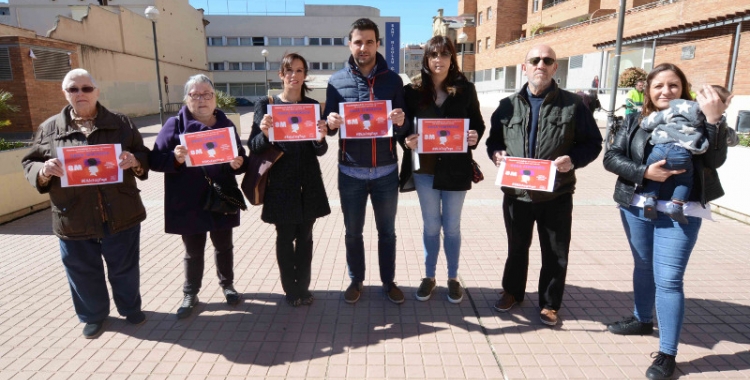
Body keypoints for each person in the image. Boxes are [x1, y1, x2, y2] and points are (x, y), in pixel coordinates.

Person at [603, 63, 730, 380]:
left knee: (669, 279)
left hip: (681, 211)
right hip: (636, 206)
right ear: (647, 89)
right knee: (643, 264)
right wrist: (644, 172)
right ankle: (641, 318)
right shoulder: (634, 120)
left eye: (673, 85)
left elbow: (714, 160)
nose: (665, 91)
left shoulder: (701, 119)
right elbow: (612, 157)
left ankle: (667, 354)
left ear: (683, 88)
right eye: (658, 85)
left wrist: (714, 120)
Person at [21, 68, 149, 338]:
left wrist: (135, 161)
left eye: (86, 88)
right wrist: (43, 171)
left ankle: (130, 307)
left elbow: (143, 153)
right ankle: (93, 315)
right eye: (73, 89)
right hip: (73, 215)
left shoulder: (120, 122)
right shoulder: (49, 128)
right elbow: (30, 162)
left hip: (121, 211)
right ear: (65, 93)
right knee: (82, 271)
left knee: (124, 267)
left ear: (96, 91)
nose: (80, 94)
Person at [485, 44, 603, 326]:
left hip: (556, 194)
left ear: (555, 67)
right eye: (535, 60)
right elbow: (494, 141)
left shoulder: (574, 105)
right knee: (517, 247)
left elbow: (593, 143)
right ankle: (512, 292)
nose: (541, 64)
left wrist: (572, 160)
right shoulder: (507, 105)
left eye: (547, 60)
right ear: (524, 67)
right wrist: (496, 154)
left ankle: (550, 304)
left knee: (555, 251)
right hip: (517, 193)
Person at [324, 18, 408, 304]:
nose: (363, 47)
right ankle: (355, 280)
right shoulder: (336, 82)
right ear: (350, 44)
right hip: (351, 172)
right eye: (358, 42)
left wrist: (401, 121)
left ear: (377, 44)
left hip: (385, 172)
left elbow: (403, 130)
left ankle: (388, 281)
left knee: (387, 233)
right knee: (352, 233)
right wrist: (331, 121)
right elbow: (331, 128)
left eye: (369, 41)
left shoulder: (394, 81)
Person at [149, 74, 247, 319]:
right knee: (193, 250)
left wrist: (238, 163)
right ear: (186, 99)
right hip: (188, 200)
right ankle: (190, 292)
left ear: (215, 98)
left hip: (221, 196)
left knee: (224, 246)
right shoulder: (174, 125)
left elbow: (241, 157)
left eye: (207, 95)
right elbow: (154, 160)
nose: (202, 99)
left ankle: (228, 285)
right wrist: (175, 158)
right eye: (195, 95)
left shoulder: (226, 125)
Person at [399, 36, 485, 303]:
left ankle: (452, 278)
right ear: (426, 59)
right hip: (424, 168)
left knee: (452, 226)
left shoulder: (465, 89)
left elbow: (478, 123)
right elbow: (403, 127)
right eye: (433, 54)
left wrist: (474, 136)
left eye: (444, 54)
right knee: (431, 226)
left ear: (452, 58)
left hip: (456, 168)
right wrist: (406, 139)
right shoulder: (412, 90)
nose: (439, 59)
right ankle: (428, 276)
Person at [249, 53, 331, 307]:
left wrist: (320, 139)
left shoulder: (312, 106)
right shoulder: (266, 104)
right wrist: (263, 132)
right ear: (281, 75)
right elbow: (254, 146)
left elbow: (320, 150)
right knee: (285, 237)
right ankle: (291, 290)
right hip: (281, 185)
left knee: (305, 237)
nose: (293, 76)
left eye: (299, 70)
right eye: (289, 71)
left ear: (305, 75)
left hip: (308, 183)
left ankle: (303, 287)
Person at [639, 85, 733, 224]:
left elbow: (647, 123)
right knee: (684, 181)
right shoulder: (707, 118)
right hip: (682, 154)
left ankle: (650, 200)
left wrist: (645, 122)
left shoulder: (675, 108)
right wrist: (718, 118)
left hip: (659, 149)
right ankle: (676, 206)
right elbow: (729, 138)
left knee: (654, 176)